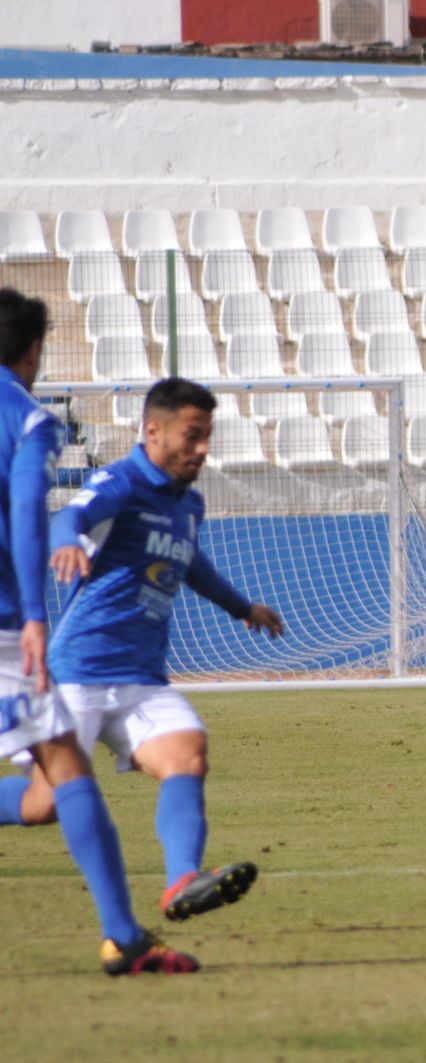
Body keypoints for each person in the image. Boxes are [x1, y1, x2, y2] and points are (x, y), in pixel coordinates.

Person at [18, 377, 285, 929]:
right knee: (43, 806)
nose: (203, 449)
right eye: (193, 436)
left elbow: (191, 564)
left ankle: (183, 880)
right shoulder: (121, 481)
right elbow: (71, 515)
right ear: (153, 430)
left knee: (187, 753)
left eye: (207, 436)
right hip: (78, 673)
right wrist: (67, 538)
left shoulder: (189, 504)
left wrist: (242, 607)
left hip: (141, 677)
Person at [0, 289, 197, 975]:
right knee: (64, 776)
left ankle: (129, 933)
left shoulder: (182, 505)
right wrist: (31, 614)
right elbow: (30, 509)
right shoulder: (26, 419)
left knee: (52, 785)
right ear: (33, 352)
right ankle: (126, 936)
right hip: (4, 628)